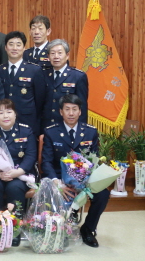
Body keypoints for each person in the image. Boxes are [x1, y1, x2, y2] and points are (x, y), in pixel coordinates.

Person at [41, 94, 108, 248]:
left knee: (103, 194)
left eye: (74, 109)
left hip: (85, 179)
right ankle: (62, 228)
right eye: (67, 109)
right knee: (60, 192)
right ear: (61, 112)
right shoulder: (51, 132)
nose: (71, 113)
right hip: (60, 178)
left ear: (80, 111)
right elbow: (46, 162)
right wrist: (57, 182)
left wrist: (86, 182)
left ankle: (88, 229)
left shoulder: (90, 132)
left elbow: (94, 160)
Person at [0, 99, 37, 246]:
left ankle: (15, 228)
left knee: (15, 187)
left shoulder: (26, 131)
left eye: (9, 112)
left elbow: (31, 156)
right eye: (1, 112)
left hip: (19, 174)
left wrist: (17, 172)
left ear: (15, 114)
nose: (5, 116)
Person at [0, 31, 46, 135]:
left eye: (18, 44)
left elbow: (40, 101)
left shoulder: (34, 70)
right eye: (11, 44)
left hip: (27, 122)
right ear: (5, 48)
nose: (14, 48)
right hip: (4, 123)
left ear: (24, 48)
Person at [41, 39, 88, 133]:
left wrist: (80, 132)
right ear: (48, 57)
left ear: (67, 55)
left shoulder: (78, 76)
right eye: (52, 53)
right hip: (47, 128)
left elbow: (82, 107)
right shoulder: (42, 75)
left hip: (68, 128)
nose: (56, 56)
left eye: (59, 53)